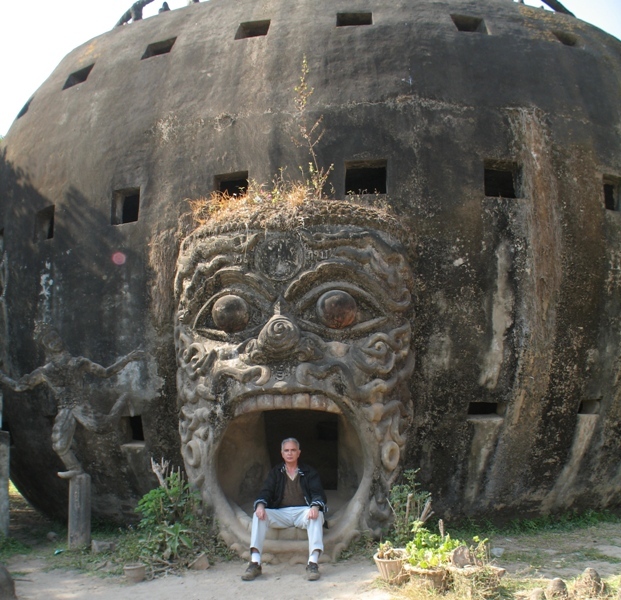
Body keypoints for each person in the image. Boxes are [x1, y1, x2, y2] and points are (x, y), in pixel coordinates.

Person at [0, 325, 143, 479]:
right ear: (47, 347)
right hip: (65, 408)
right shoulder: (45, 372)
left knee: (102, 427)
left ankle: (122, 400)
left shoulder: (78, 363)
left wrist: (128, 358)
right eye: (50, 342)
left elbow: (105, 372)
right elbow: (19, 386)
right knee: (59, 445)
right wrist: (2, 377)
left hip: (80, 404)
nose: (54, 342)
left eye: (55, 338)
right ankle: (75, 468)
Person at [242, 438, 327, 582]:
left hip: (303, 512)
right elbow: (266, 491)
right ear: (282, 453)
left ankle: (313, 563)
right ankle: (255, 563)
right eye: (286, 450)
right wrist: (261, 506)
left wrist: (314, 506)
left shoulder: (309, 471)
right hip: (281, 513)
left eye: (293, 450)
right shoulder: (276, 472)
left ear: (299, 453)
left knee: (317, 515)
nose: (290, 453)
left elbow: (317, 493)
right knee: (258, 515)